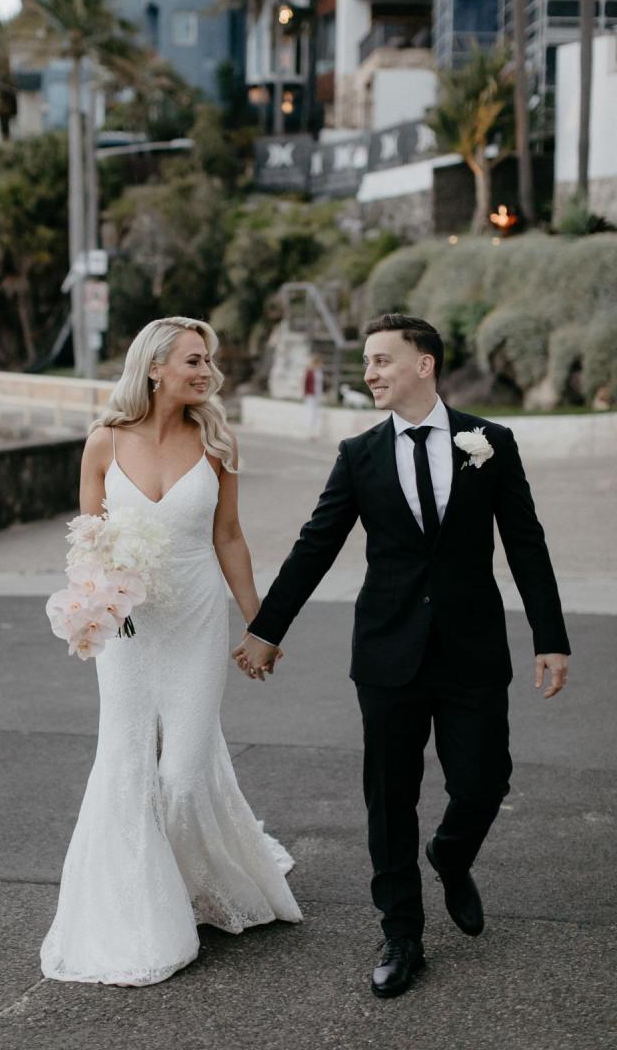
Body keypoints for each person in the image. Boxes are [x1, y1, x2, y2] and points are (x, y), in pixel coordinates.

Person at [232, 313, 570, 999]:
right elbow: (315, 544)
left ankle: (451, 853)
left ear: (425, 364)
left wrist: (551, 637)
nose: (371, 373)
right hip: (387, 651)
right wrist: (267, 627)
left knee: (485, 779)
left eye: (383, 360)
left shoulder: (490, 443)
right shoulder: (359, 455)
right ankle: (401, 931)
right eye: (367, 362)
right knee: (389, 797)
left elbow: (526, 544)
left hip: (472, 647)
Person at [41, 316, 301, 987]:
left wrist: (260, 625)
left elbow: (232, 537)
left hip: (195, 617)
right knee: (126, 761)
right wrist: (91, 609)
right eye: (194, 359)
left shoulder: (216, 440)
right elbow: (87, 543)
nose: (207, 370)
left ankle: (193, 877)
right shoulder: (103, 442)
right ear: (154, 367)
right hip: (127, 630)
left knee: (184, 770)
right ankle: (141, 908)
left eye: (208, 360)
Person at [303, 353, 325, 439]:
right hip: (311, 395)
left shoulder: (319, 371)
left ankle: (313, 432)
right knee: (311, 413)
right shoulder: (309, 371)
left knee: (315, 414)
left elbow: (320, 384)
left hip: (317, 395)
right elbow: (305, 383)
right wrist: (305, 394)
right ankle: (310, 432)